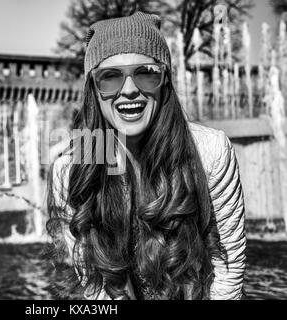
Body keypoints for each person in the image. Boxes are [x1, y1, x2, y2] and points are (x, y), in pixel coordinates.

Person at [46, 12, 246, 300]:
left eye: (145, 73)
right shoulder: (71, 171)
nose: (129, 90)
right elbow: (95, 288)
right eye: (110, 77)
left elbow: (228, 271)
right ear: (94, 89)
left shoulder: (210, 151)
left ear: (164, 80)